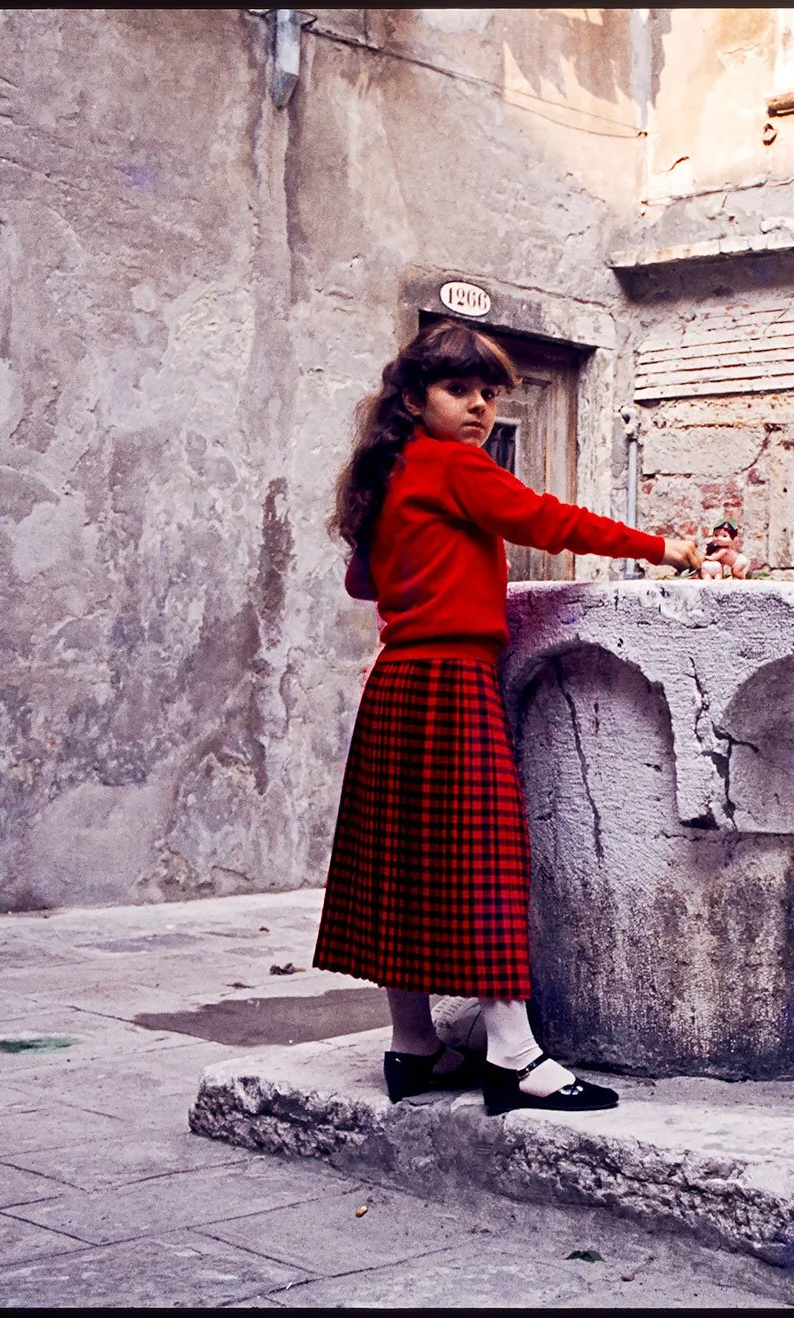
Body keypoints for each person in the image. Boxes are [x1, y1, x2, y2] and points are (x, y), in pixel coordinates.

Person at [315, 319, 700, 1112]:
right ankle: (515, 1058)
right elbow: (547, 522)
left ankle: (413, 1047)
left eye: (490, 394)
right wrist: (667, 549)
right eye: (459, 390)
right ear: (415, 397)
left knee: (403, 867)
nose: (480, 407)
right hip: (454, 681)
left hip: (398, 682)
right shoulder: (454, 466)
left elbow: (363, 584)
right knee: (483, 861)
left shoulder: (388, 475)